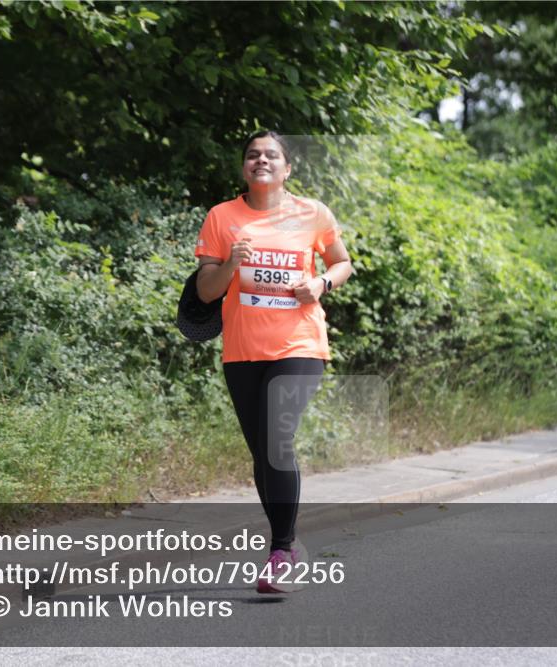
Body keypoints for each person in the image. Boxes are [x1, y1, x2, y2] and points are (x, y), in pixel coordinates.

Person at [193, 130, 353, 594]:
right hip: (243, 352)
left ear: (287, 168)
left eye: (271, 155)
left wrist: (321, 283)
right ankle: (290, 543)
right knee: (263, 454)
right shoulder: (222, 217)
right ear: (244, 167)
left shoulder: (312, 213)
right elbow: (206, 291)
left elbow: (342, 262)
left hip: (299, 345)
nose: (260, 160)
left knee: (277, 443)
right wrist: (231, 264)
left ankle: (281, 553)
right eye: (252, 155)